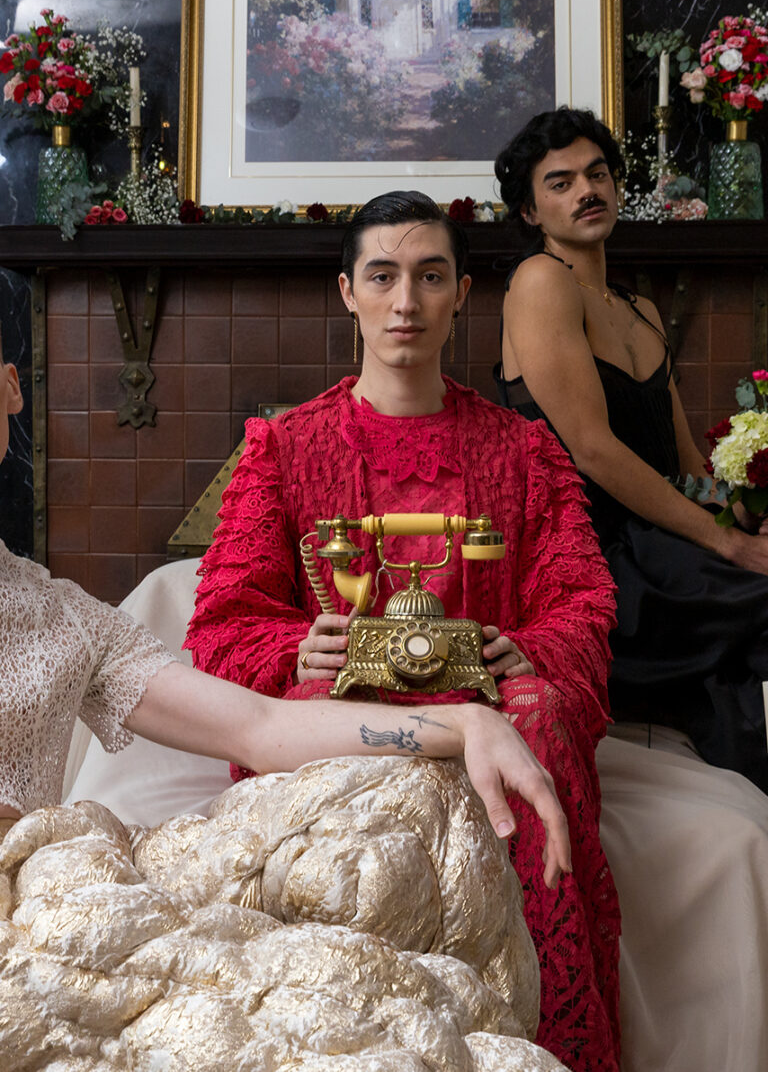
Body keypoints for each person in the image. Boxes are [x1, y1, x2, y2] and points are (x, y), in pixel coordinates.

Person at [184, 191, 621, 1072]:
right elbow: (224, 614)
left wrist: (533, 649)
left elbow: (581, 597)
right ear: (348, 292)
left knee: (535, 712)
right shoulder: (283, 449)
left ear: (462, 294)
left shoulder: (524, 450)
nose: (406, 303)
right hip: (346, 701)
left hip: (487, 700)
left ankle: (547, 1038)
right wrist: (294, 645)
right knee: (310, 696)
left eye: (430, 277)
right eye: (383, 277)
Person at [0, 324, 572, 878]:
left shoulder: (74, 624)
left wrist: (466, 723)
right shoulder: (286, 447)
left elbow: (261, 728)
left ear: (11, 388)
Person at [493, 106, 768, 793]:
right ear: (529, 210)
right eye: (560, 183)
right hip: (594, 561)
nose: (586, 190)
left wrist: (744, 514)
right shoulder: (540, 281)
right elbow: (593, 450)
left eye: (597, 174)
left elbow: (687, 468)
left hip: (659, 542)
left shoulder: (640, 311)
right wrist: (727, 546)